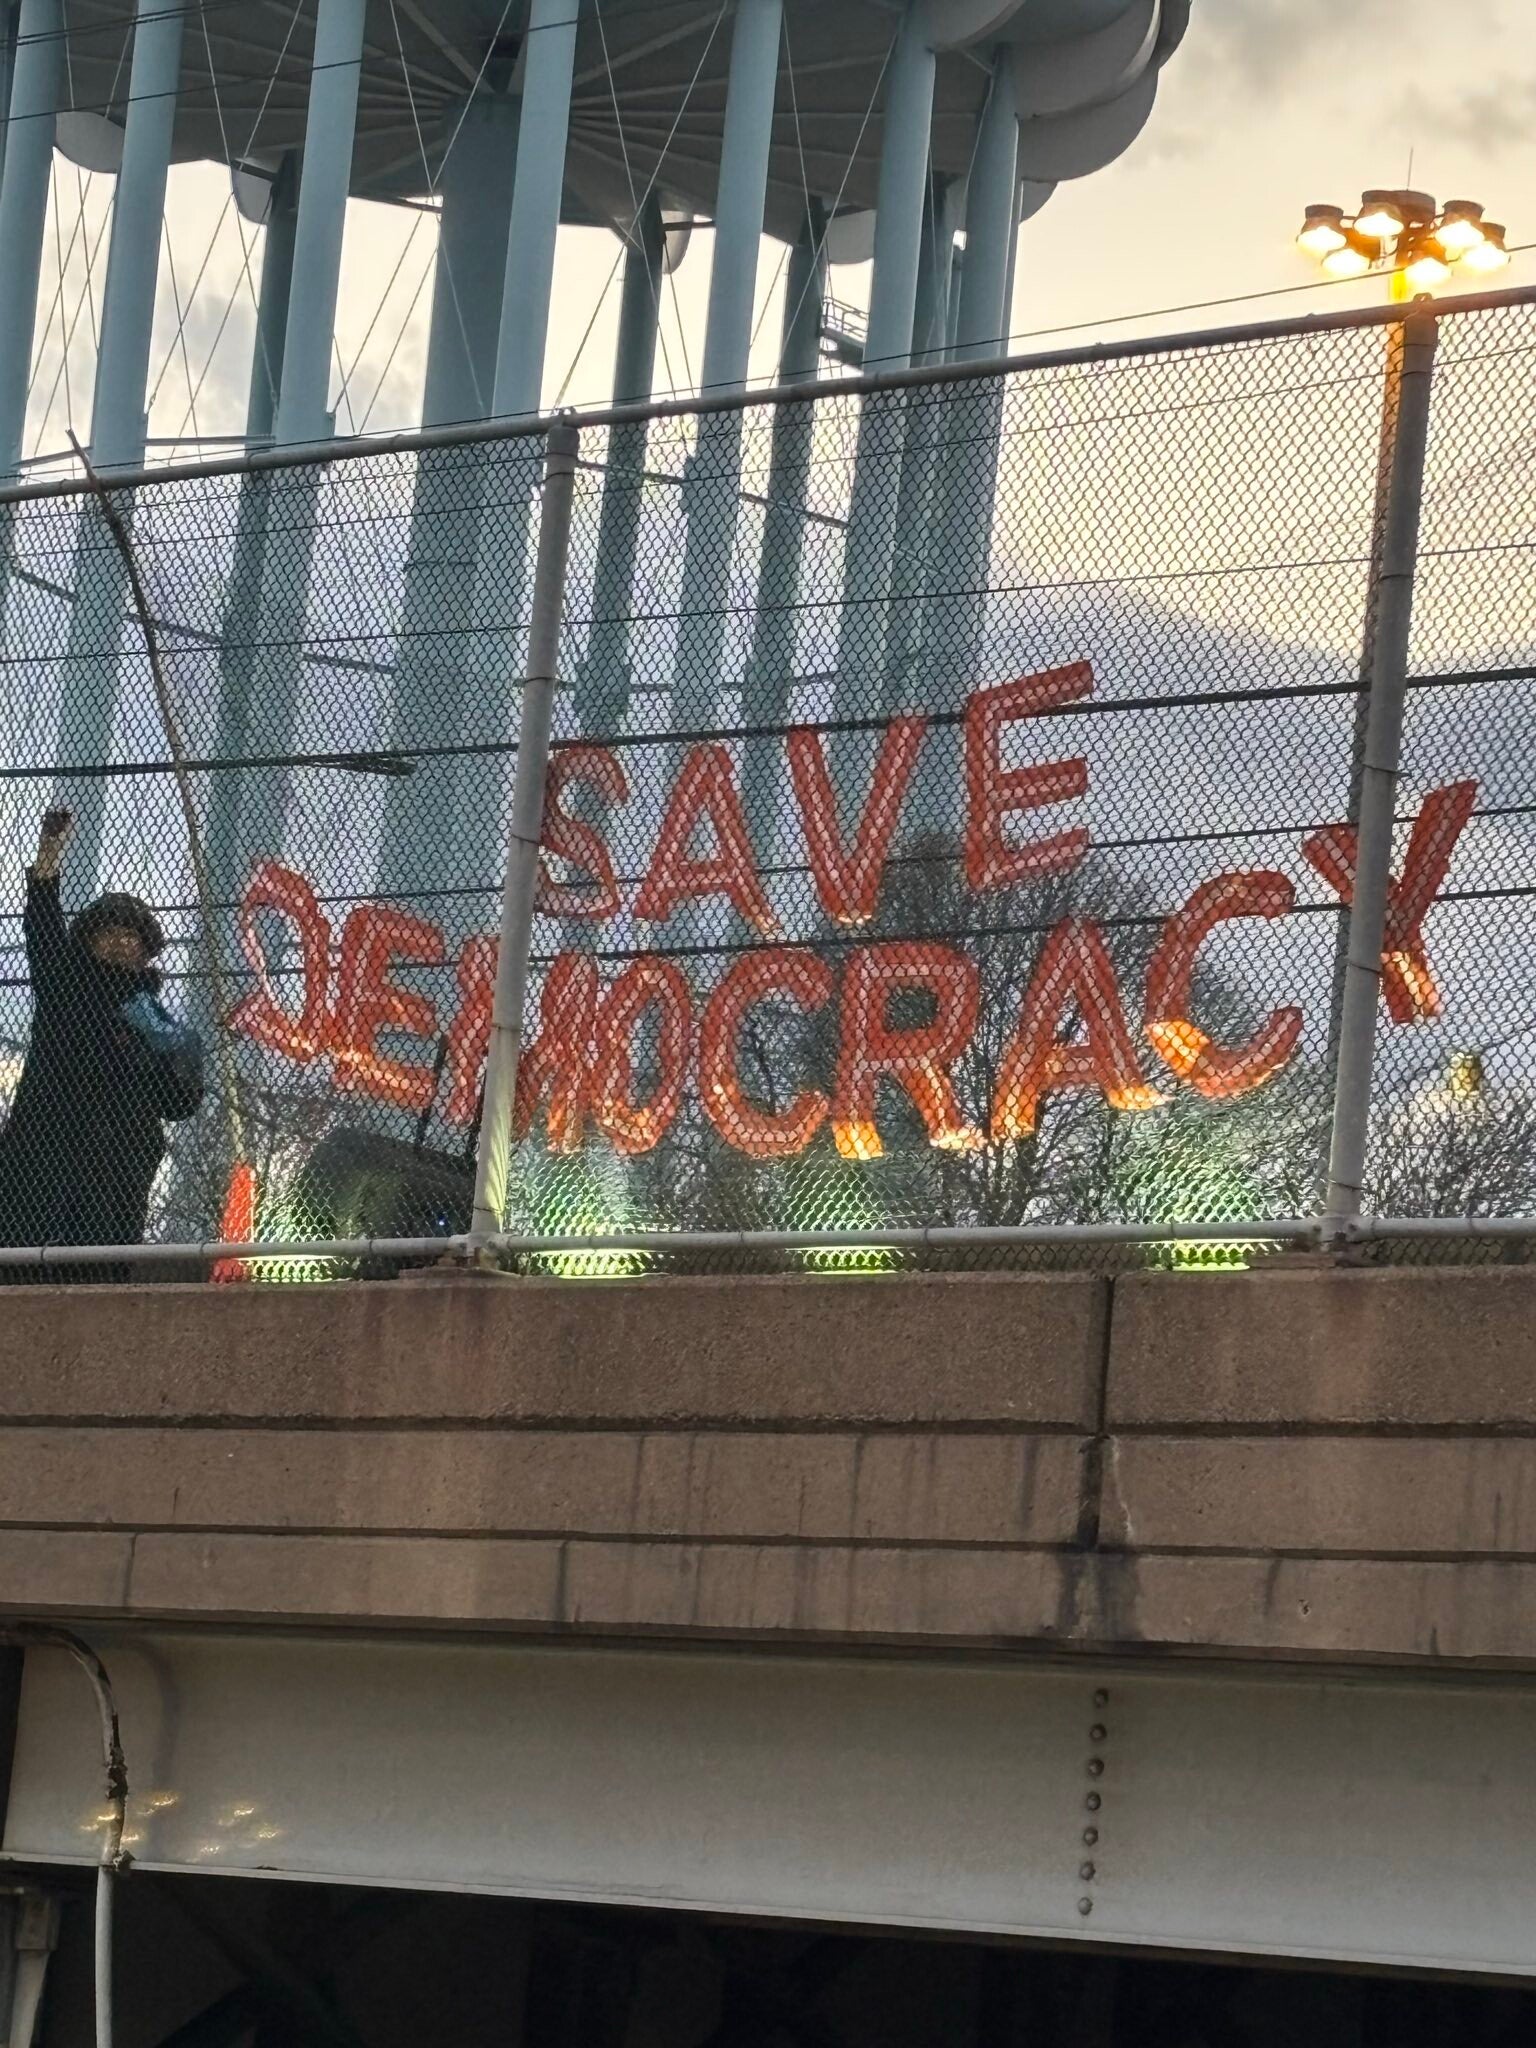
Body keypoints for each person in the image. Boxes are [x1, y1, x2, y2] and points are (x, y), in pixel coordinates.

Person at [0, 807, 204, 1281]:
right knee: (24, 1261)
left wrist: (178, 1059)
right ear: (88, 941)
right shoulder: (66, 984)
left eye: (131, 936)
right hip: (47, 1148)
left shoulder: (152, 1017)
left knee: (100, 1271)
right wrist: (49, 856)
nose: (120, 942)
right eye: (108, 932)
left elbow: (178, 1103)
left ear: (145, 950)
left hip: (118, 1165)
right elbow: (42, 930)